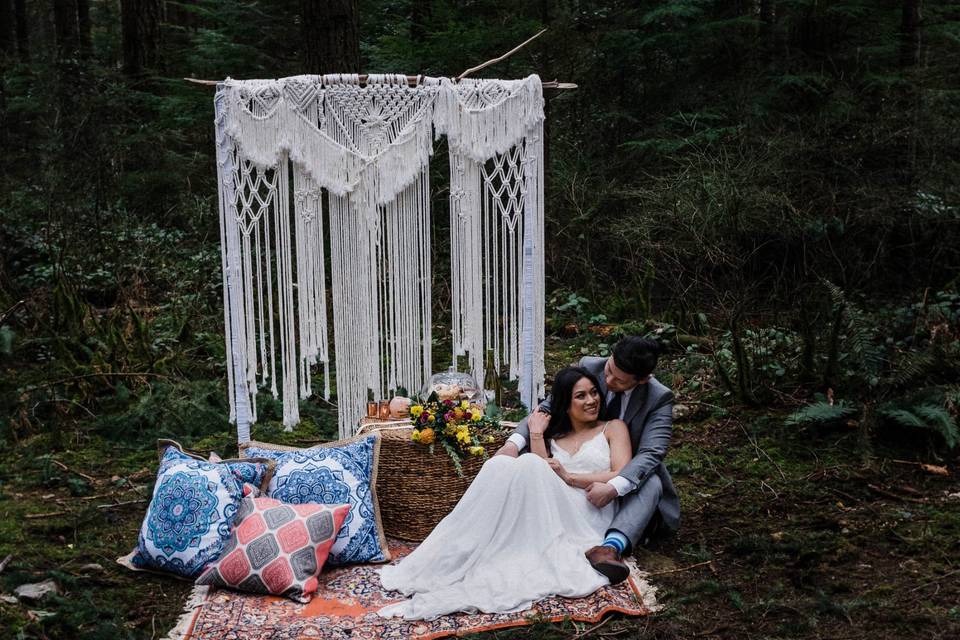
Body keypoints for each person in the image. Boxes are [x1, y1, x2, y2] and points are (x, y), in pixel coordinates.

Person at [378, 367, 633, 620]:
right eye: (581, 396)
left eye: (593, 393)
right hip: (553, 505)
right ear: (565, 402)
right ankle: (465, 546)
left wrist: (571, 477)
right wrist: (535, 433)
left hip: (589, 507)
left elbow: (621, 471)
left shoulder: (613, 427)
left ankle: (492, 547)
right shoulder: (557, 433)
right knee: (498, 464)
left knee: (529, 464)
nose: (592, 400)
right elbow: (543, 477)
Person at [497, 336, 680, 585]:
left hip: (627, 478)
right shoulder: (590, 366)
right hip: (575, 473)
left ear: (642, 379)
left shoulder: (658, 398)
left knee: (654, 480)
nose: (607, 381)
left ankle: (610, 547)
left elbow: (651, 453)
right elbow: (549, 406)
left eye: (619, 380)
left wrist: (614, 487)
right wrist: (513, 444)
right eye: (609, 370)